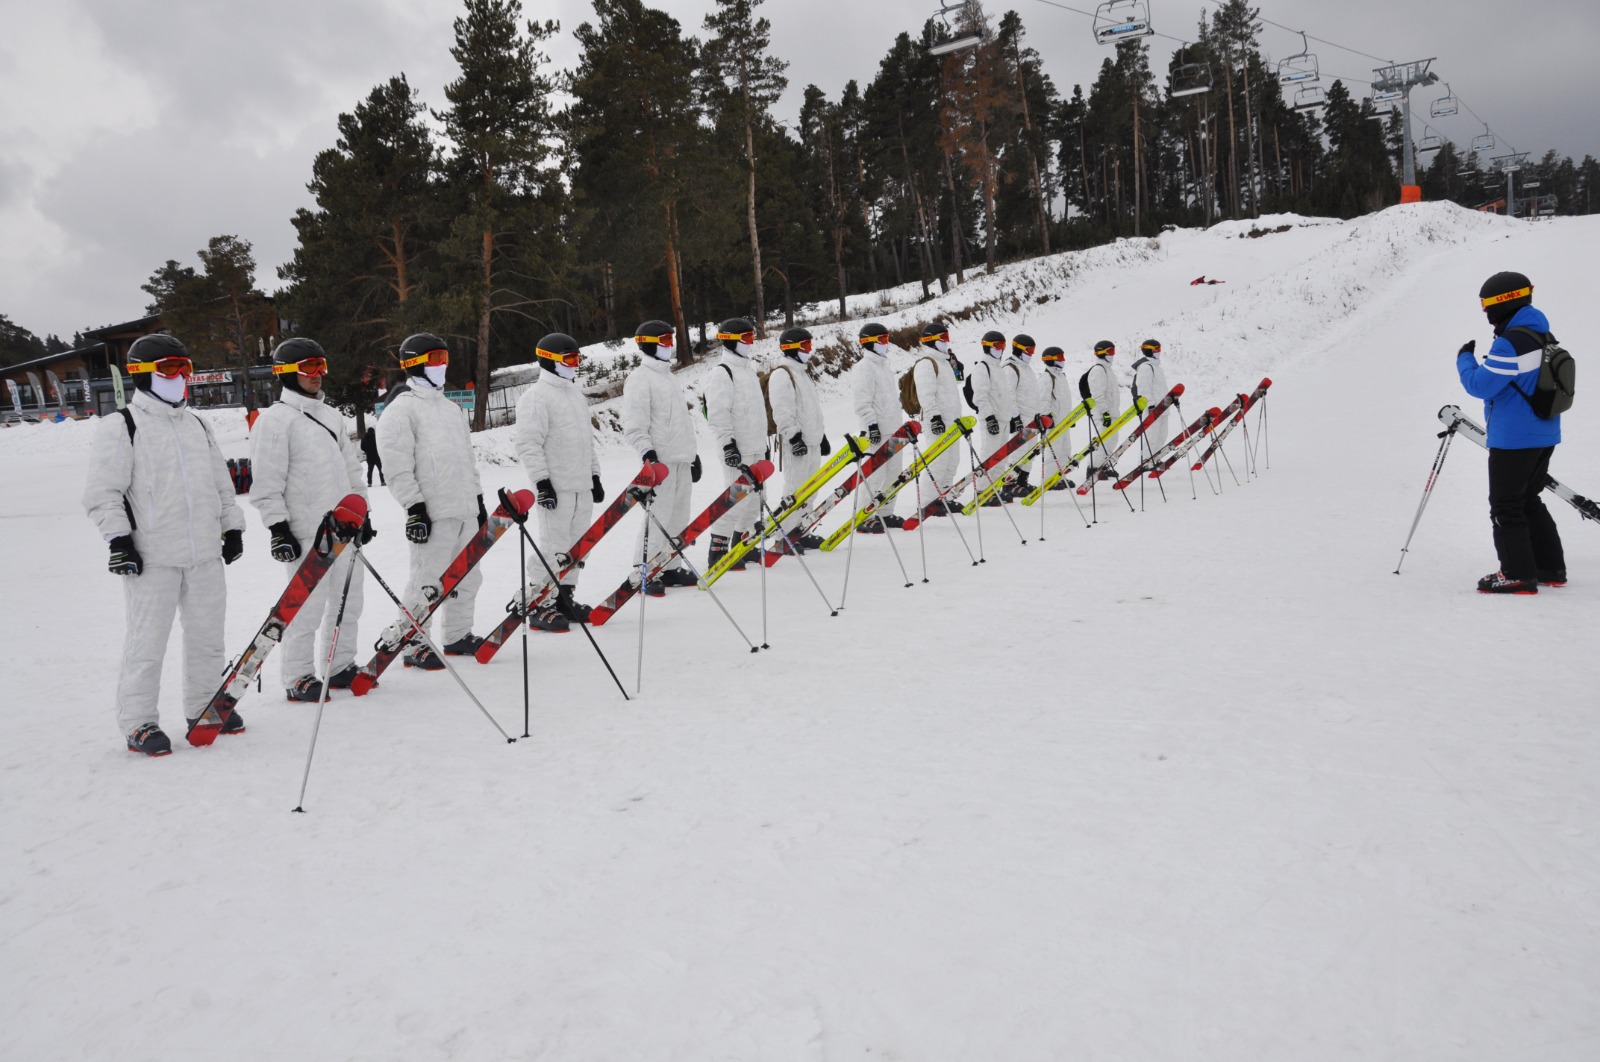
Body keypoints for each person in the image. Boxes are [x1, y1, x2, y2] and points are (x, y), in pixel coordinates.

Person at [83, 334, 247, 755]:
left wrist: (232, 527)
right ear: (141, 373)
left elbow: (220, 484)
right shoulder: (123, 425)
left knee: (208, 637)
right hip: (153, 555)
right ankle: (139, 722)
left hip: (204, 553)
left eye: (185, 368)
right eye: (171, 368)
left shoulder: (196, 424)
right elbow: (104, 491)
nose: (181, 377)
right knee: (147, 640)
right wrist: (119, 540)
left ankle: (204, 707)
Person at [249, 338, 371, 701]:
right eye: (308, 368)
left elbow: (351, 468)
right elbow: (266, 482)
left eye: (321, 366)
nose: (318, 375)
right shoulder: (275, 421)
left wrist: (362, 511)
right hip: (306, 531)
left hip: (345, 527)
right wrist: (278, 528)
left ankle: (339, 665)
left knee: (349, 599)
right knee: (306, 607)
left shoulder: (331, 415)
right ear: (286, 373)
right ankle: (298, 676)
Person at [375, 333, 487, 666]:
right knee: (426, 580)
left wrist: (478, 501)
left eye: (445, 358)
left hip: (464, 507)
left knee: (469, 576)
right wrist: (414, 508)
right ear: (415, 363)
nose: (443, 365)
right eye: (436, 358)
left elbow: (467, 459)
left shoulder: (451, 409)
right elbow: (395, 465)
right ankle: (413, 644)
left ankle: (457, 635)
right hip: (433, 512)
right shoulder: (401, 410)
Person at [1456, 271, 1566, 594]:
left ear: (1503, 304)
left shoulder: (1511, 343)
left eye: (1488, 307)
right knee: (1528, 499)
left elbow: (1479, 385)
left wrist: (1464, 359)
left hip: (1515, 440)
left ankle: (1517, 573)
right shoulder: (1541, 334)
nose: (1487, 316)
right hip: (1544, 435)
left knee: (1505, 506)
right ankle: (1550, 567)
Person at [515, 333, 605, 626]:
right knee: (554, 546)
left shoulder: (575, 395)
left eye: (577, 359)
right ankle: (541, 603)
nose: (574, 365)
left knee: (578, 547)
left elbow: (586, 443)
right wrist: (542, 483)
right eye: (569, 359)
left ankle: (565, 597)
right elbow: (529, 444)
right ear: (550, 360)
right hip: (556, 488)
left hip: (581, 485)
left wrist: (595, 476)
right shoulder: (535, 398)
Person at [621, 320, 700, 590]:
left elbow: (680, 422)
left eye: (671, 339)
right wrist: (648, 454)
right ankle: (643, 570)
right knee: (659, 516)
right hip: (661, 464)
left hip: (680, 459)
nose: (671, 345)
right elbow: (634, 424)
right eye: (665, 340)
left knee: (679, 515)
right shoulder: (639, 379)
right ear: (649, 344)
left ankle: (669, 566)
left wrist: (693, 455)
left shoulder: (669, 377)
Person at [705, 318, 769, 566]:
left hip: (755, 447)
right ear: (730, 340)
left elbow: (756, 412)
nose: (750, 343)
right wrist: (727, 444)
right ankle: (717, 550)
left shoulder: (748, 372)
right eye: (746, 338)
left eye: (752, 337)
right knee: (733, 500)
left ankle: (743, 543)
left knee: (755, 500)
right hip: (737, 451)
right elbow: (717, 413)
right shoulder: (722, 373)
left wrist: (762, 445)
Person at [768, 326, 829, 549]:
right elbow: (782, 411)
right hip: (797, 443)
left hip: (812, 441)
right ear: (791, 348)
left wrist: (821, 436)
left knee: (810, 490)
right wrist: (793, 437)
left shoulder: (802, 373)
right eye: (805, 345)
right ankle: (782, 537)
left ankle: (801, 531)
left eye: (810, 344)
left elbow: (812, 409)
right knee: (794, 490)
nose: (809, 350)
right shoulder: (782, 374)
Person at [850, 322, 909, 530]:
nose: (887, 344)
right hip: (877, 432)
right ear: (869, 343)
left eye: (887, 339)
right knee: (875, 475)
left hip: (893, 429)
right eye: (882, 340)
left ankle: (885, 512)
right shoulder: (863, 368)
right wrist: (871, 424)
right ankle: (865, 517)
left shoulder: (885, 368)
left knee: (893, 473)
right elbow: (862, 402)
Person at [911, 321, 963, 515]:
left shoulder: (944, 362)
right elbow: (926, 394)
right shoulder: (926, 363)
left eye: (947, 337)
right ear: (931, 341)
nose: (947, 342)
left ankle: (945, 496)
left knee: (952, 460)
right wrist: (934, 417)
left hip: (952, 419)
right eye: (943, 338)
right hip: (937, 421)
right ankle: (927, 502)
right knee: (938, 461)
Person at [967, 330, 1014, 505]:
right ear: (987, 346)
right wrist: (989, 417)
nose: (1001, 350)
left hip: (1004, 418)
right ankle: (982, 491)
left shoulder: (998, 368)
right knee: (989, 455)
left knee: (1001, 457)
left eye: (1003, 346)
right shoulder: (982, 367)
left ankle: (994, 489)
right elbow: (980, 396)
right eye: (997, 346)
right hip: (992, 419)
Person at [1003, 333, 1042, 499]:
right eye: (1028, 350)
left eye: (1033, 350)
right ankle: (1009, 483)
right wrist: (1015, 417)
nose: (1031, 353)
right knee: (1019, 450)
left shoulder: (1026, 368)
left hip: (1031, 418)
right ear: (1018, 349)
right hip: (1021, 418)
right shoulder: (1010, 368)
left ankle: (1022, 480)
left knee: (1030, 450)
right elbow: (1008, 394)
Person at [1079, 340, 1121, 474]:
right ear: (1101, 353)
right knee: (1101, 442)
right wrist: (1105, 412)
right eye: (1110, 351)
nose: (1112, 355)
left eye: (1113, 351)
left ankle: (1104, 466)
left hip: (1112, 412)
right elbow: (1098, 395)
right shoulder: (1098, 370)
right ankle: (1093, 468)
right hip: (1103, 414)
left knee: (1111, 441)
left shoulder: (1108, 370)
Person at [1038, 345, 1073, 489]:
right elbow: (1043, 399)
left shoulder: (1061, 376)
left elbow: (1065, 398)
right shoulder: (1047, 377)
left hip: (1064, 420)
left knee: (1065, 449)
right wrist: (1046, 417)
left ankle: (1060, 476)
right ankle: (1050, 480)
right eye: (1059, 357)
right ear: (1050, 360)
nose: (1062, 360)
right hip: (1054, 421)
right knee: (1054, 450)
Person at [1129, 338, 1171, 454]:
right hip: (1152, 408)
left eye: (1160, 349)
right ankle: (1146, 461)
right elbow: (1144, 389)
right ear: (1149, 351)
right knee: (1151, 437)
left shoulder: (1157, 368)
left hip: (1162, 407)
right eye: (1157, 349)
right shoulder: (1146, 367)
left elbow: (1160, 389)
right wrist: (1150, 405)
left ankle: (1155, 459)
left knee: (1161, 436)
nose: (1159, 351)